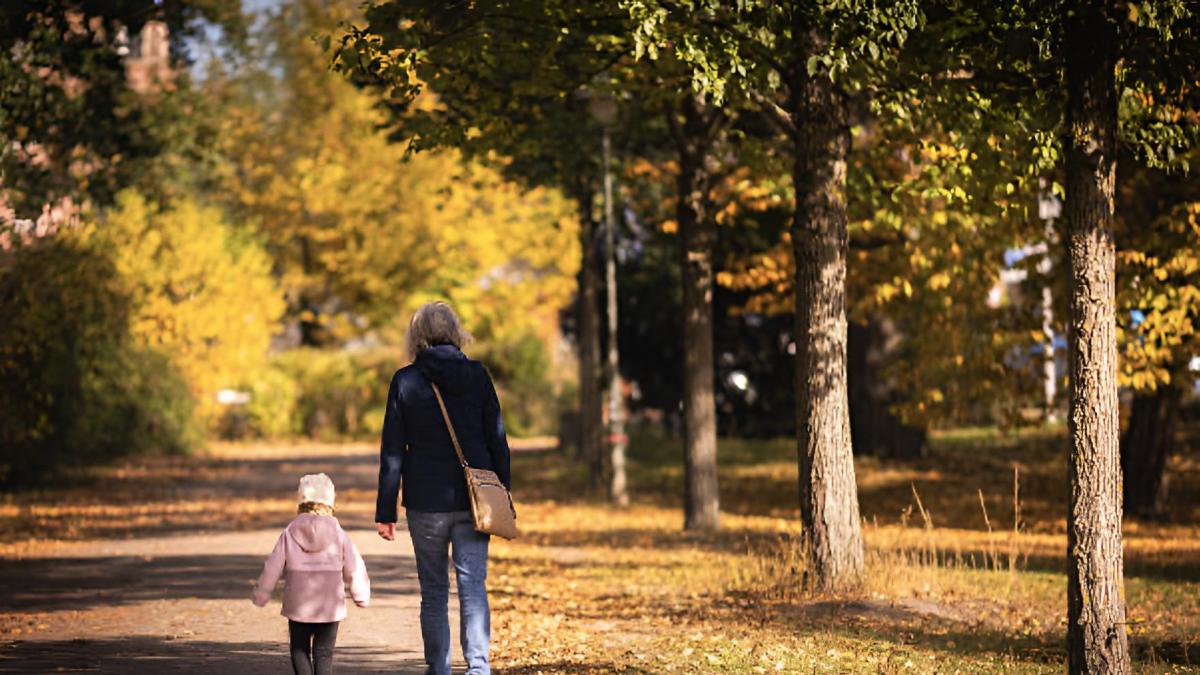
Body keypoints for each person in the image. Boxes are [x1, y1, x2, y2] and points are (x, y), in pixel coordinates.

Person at [375, 301, 511, 675]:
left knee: (434, 592)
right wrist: (504, 492)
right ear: (455, 332)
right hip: (475, 500)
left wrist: (386, 510)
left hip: (425, 501)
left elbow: (392, 449)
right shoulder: (477, 375)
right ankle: (478, 669)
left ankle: (438, 668)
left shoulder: (405, 380)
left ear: (417, 335)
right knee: (473, 587)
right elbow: (497, 437)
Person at [253, 473, 370, 675]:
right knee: (324, 654)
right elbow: (355, 565)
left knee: (299, 650)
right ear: (331, 502)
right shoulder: (339, 534)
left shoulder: (290, 532)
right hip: (329, 605)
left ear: (301, 502)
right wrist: (360, 594)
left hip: (298, 604)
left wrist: (262, 593)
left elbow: (273, 566)